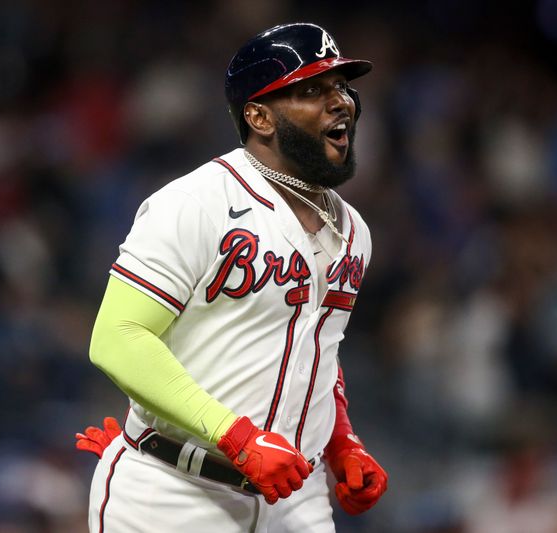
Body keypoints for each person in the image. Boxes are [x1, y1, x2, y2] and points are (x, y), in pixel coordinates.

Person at [80, 22, 388, 532]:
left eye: (342, 87)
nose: (341, 102)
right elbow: (117, 338)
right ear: (259, 116)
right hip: (175, 489)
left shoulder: (353, 230)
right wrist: (236, 437)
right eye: (313, 89)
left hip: (294, 499)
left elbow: (317, 350)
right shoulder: (196, 203)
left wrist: (341, 442)